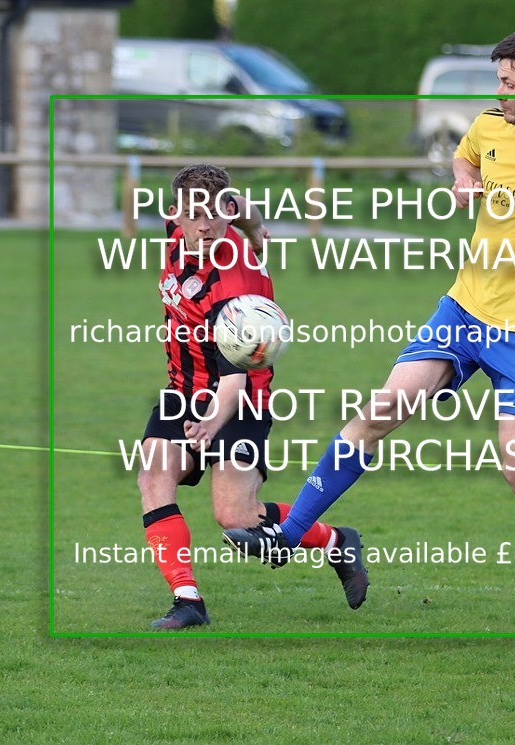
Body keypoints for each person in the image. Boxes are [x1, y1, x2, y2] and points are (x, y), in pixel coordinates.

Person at [223, 27, 515, 676]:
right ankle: (288, 536)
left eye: (509, 83)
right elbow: (466, 155)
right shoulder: (490, 125)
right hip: (462, 311)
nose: (499, 93)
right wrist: (463, 180)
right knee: (381, 409)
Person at [139, 164, 369, 630]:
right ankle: (188, 601)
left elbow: (234, 383)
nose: (205, 226)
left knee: (235, 515)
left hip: (240, 402)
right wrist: (253, 225)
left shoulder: (234, 287)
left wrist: (209, 424)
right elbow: (241, 205)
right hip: (182, 389)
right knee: (153, 478)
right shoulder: (182, 230)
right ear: (175, 213)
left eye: (214, 215)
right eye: (193, 214)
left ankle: (335, 541)